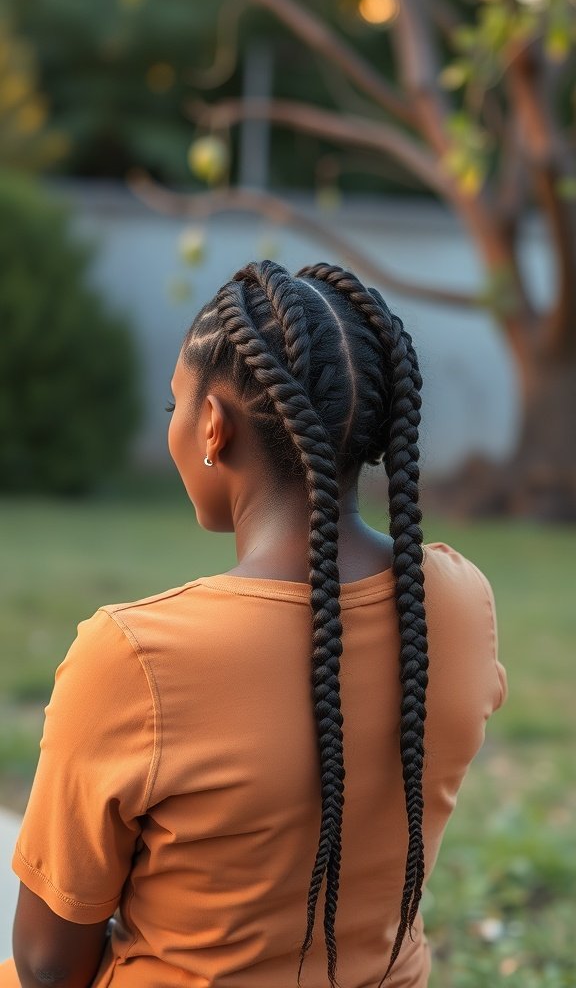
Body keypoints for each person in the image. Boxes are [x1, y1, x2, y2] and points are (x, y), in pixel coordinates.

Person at [0, 260, 507, 988]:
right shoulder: (455, 602)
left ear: (213, 425)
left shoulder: (132, 659)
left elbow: (50, 965)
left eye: (174, 403)